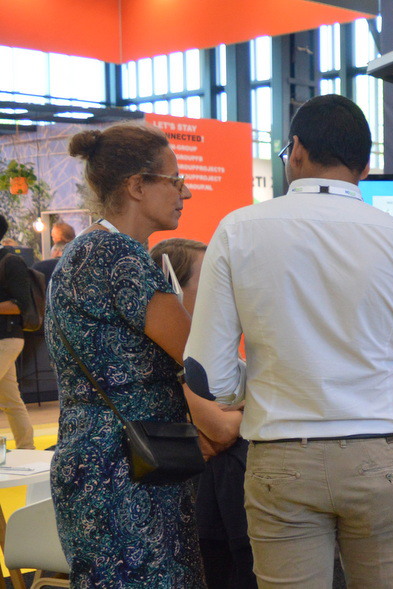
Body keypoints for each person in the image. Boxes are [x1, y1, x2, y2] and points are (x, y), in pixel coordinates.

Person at [184, 94, 393, 588]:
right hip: (379, 459)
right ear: (366, 166)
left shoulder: (237, 230)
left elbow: (207, 375)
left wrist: (260, 385)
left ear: (296, 150)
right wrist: (388, 382)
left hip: (281, 457)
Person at [49, 123, 202, 586]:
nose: (185, 192)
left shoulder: (86, 251)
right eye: (174, 180)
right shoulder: (121, 257)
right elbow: (197, 358)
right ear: (137, 185)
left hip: (94, 459)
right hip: (131, 466)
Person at [151, 238, 255, 589]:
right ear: (174, 289)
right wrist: (261, 404)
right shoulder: (174, 351)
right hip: (216, 511)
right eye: (211, 278)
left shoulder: (210, 345)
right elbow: (222, 427)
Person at [0, 216, 37, 450]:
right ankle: (27, 448)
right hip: (5, 339)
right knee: (11, 400)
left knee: (11, 401)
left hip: (7, 338)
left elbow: (21, 305)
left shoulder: (11, 262)